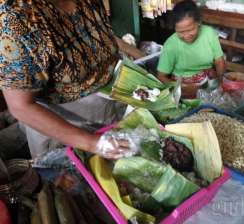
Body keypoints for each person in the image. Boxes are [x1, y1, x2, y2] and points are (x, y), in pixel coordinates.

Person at [0, 0, 144, 158]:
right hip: (65, 125)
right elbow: (21, 106)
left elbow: (100, 33)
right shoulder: (16, 20)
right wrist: (94, 143)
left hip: (109, 103)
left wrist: (140, 57)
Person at [157, 0, 225, 98]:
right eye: (180, 32)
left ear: (198, 23)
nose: (186, 36)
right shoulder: (171, 44)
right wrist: (181, 87)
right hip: (183, 87)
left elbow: (219, 60)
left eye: (190, 30)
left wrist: (220, 80)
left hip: (207, 81)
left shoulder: (209, 33)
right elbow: (161, 76)